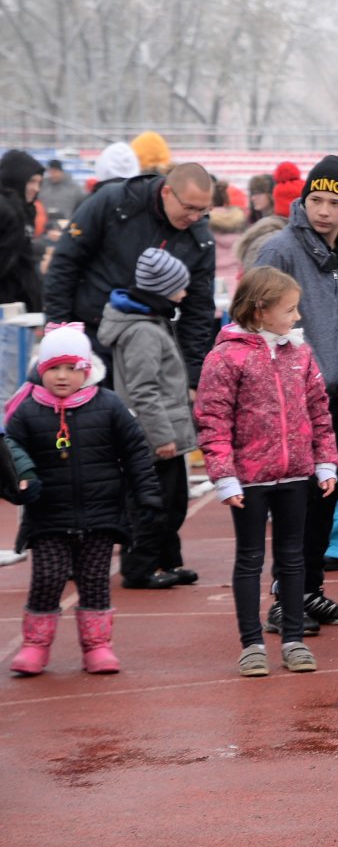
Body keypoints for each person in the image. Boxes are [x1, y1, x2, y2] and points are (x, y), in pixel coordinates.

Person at [193, 267, 338, 676]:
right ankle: (251, 644)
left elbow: (319, 411)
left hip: (295, 474)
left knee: (293, 559)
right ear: (261, 309)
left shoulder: (301, 354)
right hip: (249, 478)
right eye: (289, 309)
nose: (296, 317)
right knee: (250, 559)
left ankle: (294, 640)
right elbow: (213, 420)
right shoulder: (225, 357)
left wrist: (324, 462)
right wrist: (224, 476)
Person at [248, 157, 338, 636]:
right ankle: (285, 597)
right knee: (296, 498)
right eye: (316, 200)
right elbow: (252, 319)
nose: (324, 210)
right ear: (303, 201)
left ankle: (310, 589)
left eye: (335, 202)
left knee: (327, 491)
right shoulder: (278, 250)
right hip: (291, 395)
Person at [5, 324, 160, 677]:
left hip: (101, 511)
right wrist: (20, 483)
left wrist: (147, 494)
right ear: (41, 369)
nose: (62, 376)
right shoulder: (27, 411)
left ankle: (97, 645)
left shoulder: (108, 405)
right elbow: (9, 455)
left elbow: (135, 451)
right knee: (48, 577)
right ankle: (35, 645)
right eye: (53, 368)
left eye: (71, 368)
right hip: (48, 514)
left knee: (94, 579)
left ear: (86, 369)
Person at [43, 161, 218, 385]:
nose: (195, 217)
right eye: (189, 208)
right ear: (167, 192)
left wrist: (191, 378)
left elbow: (198, 310)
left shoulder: (199, 238)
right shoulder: (114, 202)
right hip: (91, 332)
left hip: (148, 344)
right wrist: (59, 330)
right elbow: (65, 263)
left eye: (203, 210)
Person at [101, 249, 201, 592]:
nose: (184, 294)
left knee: (173, 503)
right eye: (179, 288)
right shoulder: (143, 330)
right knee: (150, 504)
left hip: (165, 429)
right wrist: (160, 436)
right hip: (155, 436)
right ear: (161, 289)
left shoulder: (153, 320)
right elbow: (143, 389)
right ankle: (140, 567)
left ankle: (167, 559)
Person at [0, 149, 45, 310]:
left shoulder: (24, 209)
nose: (36, 188)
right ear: (16, 178)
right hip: (8, 304)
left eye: (39, 183)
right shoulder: (7, 210)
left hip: (18, 304)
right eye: (32, 181)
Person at [37, 158, 82, 228]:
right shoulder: (42, 186)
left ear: (61, 171)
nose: (53, 175)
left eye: (55, 172)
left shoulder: (74, 188)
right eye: (51, 172)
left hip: (66, 226)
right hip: (44, 227)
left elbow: (80, 209)